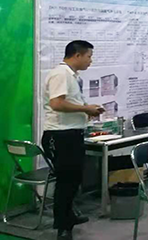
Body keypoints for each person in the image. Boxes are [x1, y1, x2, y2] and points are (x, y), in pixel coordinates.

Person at [42, 41, 105, 240]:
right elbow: (56, 103)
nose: (90, 61)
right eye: (88, 56)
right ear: (77, 55)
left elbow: (69, 102)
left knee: (73, 180)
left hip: (72, 134)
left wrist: (87, 111)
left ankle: (68, 215)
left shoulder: (72, 76)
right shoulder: (61, 74)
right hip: (60, 136)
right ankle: (62, 227)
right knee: (66, 182)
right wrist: (85, 109)